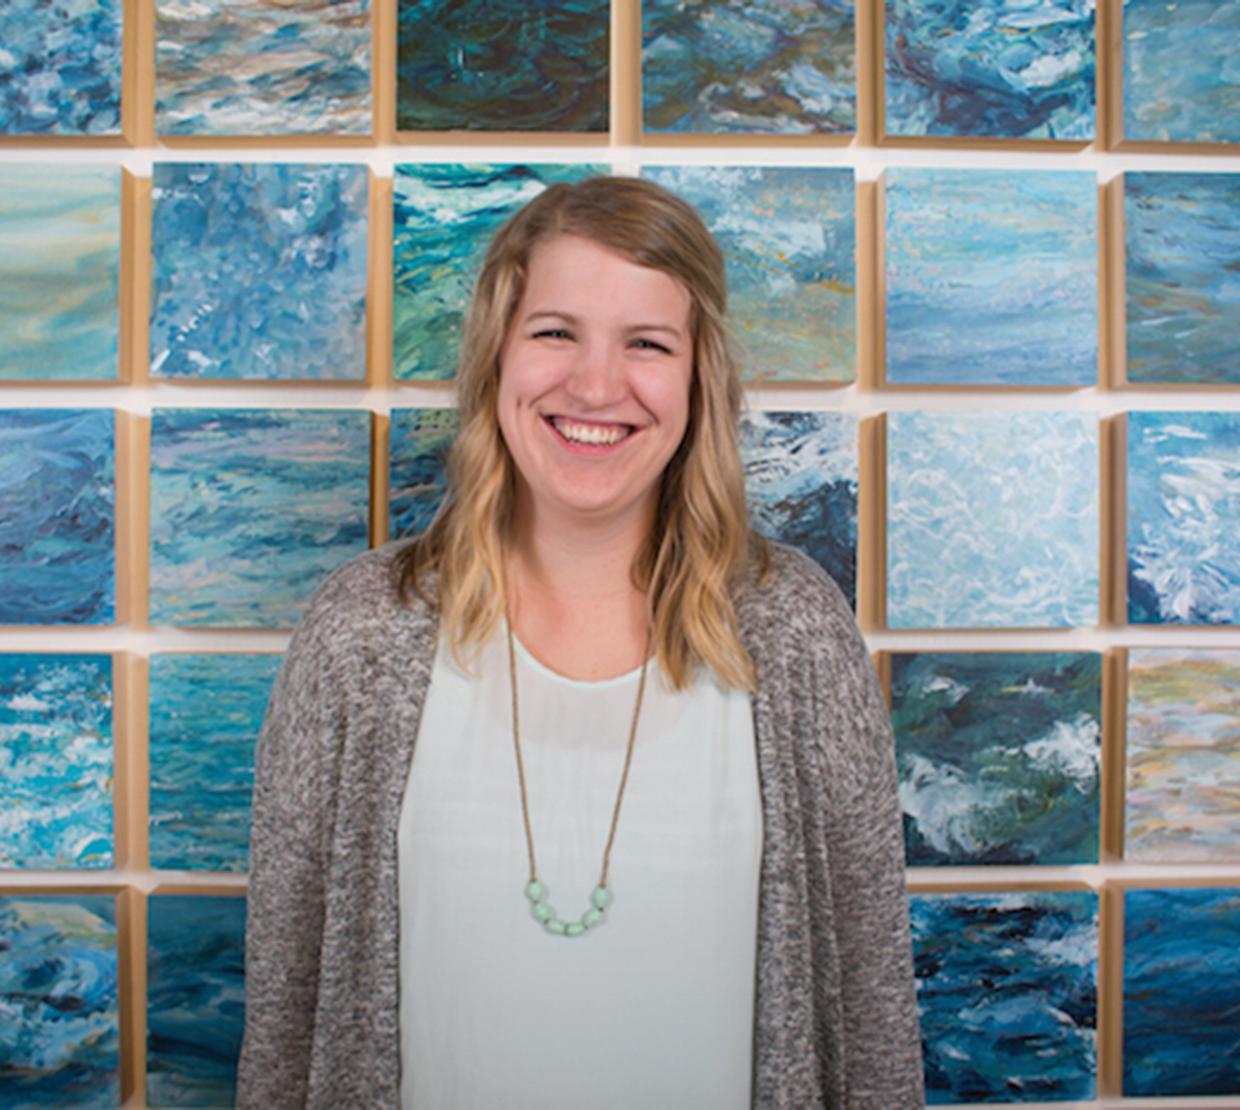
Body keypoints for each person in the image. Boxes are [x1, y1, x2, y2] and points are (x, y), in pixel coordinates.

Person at [237, 175, 923, 1108]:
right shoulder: (359, 635)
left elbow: (872, 1016)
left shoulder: (796, 632)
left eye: (646, 343)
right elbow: (286, 1020)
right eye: (556, 332)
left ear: (697, 379)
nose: (595, 385)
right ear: (496, 359)